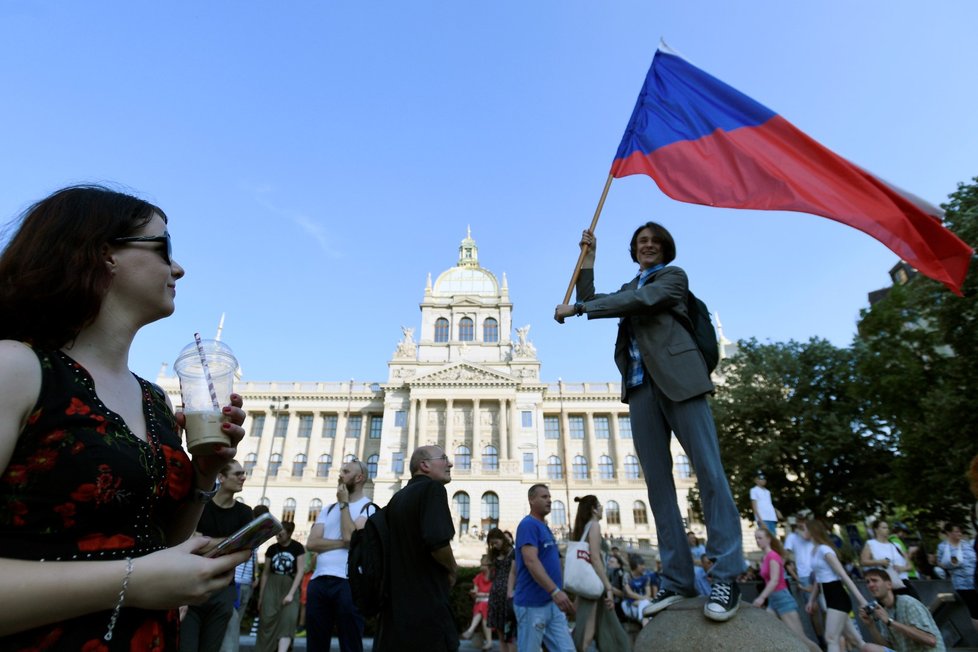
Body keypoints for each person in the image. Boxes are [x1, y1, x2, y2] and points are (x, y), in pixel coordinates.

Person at [0, 185, 251, 648]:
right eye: (164, 247)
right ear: (104, 255)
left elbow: (155, 540)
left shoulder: (154, 400)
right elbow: (142, 569)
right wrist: (133, 581)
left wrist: (203, 472)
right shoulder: (15, 368)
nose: (178, 267)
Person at [555, 224, 745, 622]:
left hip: (681, 381)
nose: (648, 246)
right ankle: (678, 580)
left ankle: (726, 574)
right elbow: (593, 297)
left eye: (655, 242)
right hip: (640, 388)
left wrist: (578, 309)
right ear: (634, 249)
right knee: (658, 488)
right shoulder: (629, 285)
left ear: (665, 250)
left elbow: (640, 300)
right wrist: (588, 259)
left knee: (710, 474)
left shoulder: (673, 278)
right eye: (642, 242)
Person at [374, 446, 458, 652]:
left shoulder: (397, 499)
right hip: (426, 610)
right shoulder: (433, 490)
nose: (450, 463)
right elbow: (437, 543)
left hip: (396, 613)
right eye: (444, 458)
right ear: (425, 465)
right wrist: (452, 568)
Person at [305, 459, 376, 652]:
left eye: (346, 471)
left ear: (359, 477)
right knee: (315, 644)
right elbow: (311, 543)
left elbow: (350, 536)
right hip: (319, 581)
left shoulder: (368, 508)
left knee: (350, 643)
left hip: (348, 583)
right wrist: (345, 544)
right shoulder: (327, 509)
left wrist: (344, 505)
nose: (340, 474)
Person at [184, 460, 255, 652]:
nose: (243, 477)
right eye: (238, 473)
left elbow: (246, 552)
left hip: (223, 590)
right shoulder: (200, 506)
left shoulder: (245, 512)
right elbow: (188, 544)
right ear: (221, 478)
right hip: (191, 585)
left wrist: (205, 541)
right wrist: (232, 543)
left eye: (243, 473)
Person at [513, 483, 575, 652]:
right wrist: (555, 591)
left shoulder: (544, 526)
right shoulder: (528, 525)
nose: (549, 500)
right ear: (531, 500)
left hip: (551, 603)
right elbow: (531, 561)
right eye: (544, 497)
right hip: (532, 605)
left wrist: (559, 592)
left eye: (550, 497)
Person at [569, 495, 629, 652]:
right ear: (594, 509)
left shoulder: (584, 528)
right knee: (587, 634)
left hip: (589, 585)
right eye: (600, 505)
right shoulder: (594, 525)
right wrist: (608, 587)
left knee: (590, 630)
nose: (602, 508)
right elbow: (595, 558)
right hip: (595, 586)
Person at [804, 519, 868, 652]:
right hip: (828, 596)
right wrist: (811, 599)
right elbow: (818, 578)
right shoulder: (814, 551)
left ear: (812, 531)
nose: (802, 532)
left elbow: (843, 575)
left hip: (838, 596)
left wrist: (862, 601)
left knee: (831, 638)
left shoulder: (824, 550)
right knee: (857, 641)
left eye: (804, 529)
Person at [752, 527, 820, 651]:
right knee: (771, 635)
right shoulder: (765, 557)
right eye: (756, 538)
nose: (757, 540)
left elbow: (774, 580)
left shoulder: (773, 556)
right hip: (773, 601)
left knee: (800, 638)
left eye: (760, 538)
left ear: (768, 539)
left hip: (782, 599)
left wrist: (761, 598)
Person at [858, 568, 945, 652]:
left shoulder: (908, 603)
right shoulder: (883, 612)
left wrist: (890, 621)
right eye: (868, 582)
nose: (870, 585)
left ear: (889, 584)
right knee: (867, 648)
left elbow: (930, 640)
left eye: (874, 580)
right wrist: (871, 626)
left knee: (868, 648)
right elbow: (889, 647)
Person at [256, 521, 306, 652]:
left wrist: (291, 593)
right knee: (267, 620)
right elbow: (266, 573)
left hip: (290, 585)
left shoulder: (298, 548)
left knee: (288, 621)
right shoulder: (271, 549)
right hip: (272, 586)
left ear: (289, 533)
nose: (277, 536)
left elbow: (300, 571)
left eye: (281, 533)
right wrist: (261, 597)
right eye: (276, 533)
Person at [785, 518, 824, 643]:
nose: (801, 525)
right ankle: (821, 640)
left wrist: (803, 529)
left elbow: (808, 536)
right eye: (799, 523)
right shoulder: (792, 537)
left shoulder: (810, 533)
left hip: (820, 572)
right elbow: (786, 553)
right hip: (805, 575)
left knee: (825, 607)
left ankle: (830, 634)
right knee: (813, 608)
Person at [935, 523, 978, 634]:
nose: (959, 533)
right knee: (975, 609)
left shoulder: (966, 544)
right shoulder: (943, 547)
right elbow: (939, 563)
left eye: (960, 531)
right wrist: (950, 564)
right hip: (962, 583)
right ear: (949, 533)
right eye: (956, 531)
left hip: (975, 580)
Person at [861, 520, 919, 599]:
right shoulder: (871, 543)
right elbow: (863, 561)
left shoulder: (896, 545)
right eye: (884, 527)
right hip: (887, 584)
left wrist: (901, 568)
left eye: (887, 528)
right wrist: (880, 562)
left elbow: (910, 566)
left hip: (903, 582)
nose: (887, 530)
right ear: (876, 529)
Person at [486, 527, 517, 652]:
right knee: (499, 633)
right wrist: (489, 564)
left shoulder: (513, 552)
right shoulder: (494, 555)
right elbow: (489, 577)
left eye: (496, 542)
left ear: (502, 539)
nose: (494, 546)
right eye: (492, 544)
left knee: (509, 632)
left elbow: (515, 573)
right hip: (496, 594)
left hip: (508, 593)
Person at [461, 555, 493, 649]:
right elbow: (476, 592)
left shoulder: (494, 577)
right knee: (482, 607)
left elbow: (494, 594)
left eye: (483, 565)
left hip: (491, 603)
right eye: (481, 564)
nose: (481, 567)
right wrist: (474, 593)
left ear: (489, 566)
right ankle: (489, 642)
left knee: (483, 607)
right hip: (481, 603)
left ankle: (471, 630)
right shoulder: (478, 577)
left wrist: (482, 595)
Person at [622, 553, 657, 624]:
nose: (644, 567)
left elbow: (648, 593)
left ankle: (644, 621)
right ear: (634, 565)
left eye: (643, 564)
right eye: (641, 565)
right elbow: (629, 593)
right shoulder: (627, 576)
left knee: (646, 604)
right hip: (629, 603)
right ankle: (643, 621)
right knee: (646, 604)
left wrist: (645, 599)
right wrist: (644, 598)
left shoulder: (646, 577)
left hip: (643, 603)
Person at [750, 471, 782, 536]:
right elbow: (754, 507)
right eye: (760, 478)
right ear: (755, 480)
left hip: (771, 518)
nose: (763, 480)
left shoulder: (767, 491)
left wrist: (776, 511)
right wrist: (761, 521)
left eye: (764, 478)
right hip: (763, 518)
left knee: (773, 538)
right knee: (766, 538)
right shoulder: (754, 490)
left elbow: (769, 504)